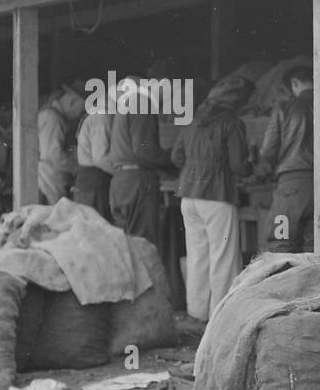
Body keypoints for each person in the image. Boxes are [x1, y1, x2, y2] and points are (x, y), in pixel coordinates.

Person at [171, 77, 251, 320]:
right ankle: (222, 314)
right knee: (223, 256)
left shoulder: (193, 122)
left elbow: (176, 156)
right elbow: (238, 165)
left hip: (189, 197)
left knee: (197, 256)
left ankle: (197, 312)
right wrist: (251, 168)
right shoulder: (231, 122)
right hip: (217, 194)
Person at [108, 76, 174, 244]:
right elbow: (145, 151)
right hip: (137, 182)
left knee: (125, 243)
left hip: (121, 181)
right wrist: (172, 158)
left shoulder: (127, 104)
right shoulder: (142, 103)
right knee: (143, 243)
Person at [258, 64, 316, 253]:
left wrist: (262, 172)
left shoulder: (284, 107)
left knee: (280, 243)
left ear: (295, 83)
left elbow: (269, 150)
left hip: (291, 187)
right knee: (315, 249)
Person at [37, 84, 85, 204]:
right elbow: (53, 155)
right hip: (50, 179)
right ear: (73, 102)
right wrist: (76, 167)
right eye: (81, 110)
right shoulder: (53, 119)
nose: (79, 115)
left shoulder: (48, 114)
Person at [74, 91, 118, 219]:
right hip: (94, 183)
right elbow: (100, 158)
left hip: (93, 181)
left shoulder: (98, 115)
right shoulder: (102, 117)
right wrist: (123, 173)